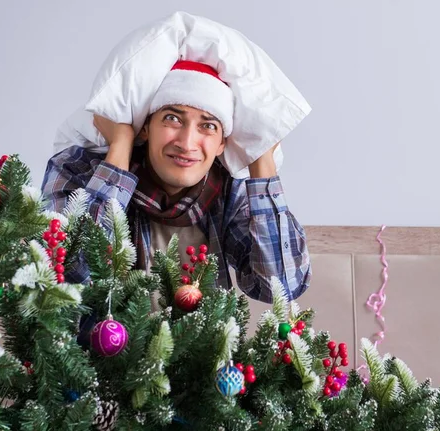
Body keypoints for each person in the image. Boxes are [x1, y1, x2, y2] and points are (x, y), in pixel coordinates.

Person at [41, 60, 311, 302]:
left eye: (208, 126)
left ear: (221, 144)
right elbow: (71, 272)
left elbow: (281, 286)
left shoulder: (229, 190)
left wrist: (262, 157)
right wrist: (120, 145)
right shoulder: (79, 170)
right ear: (145, 127)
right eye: (172, 118)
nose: (186, 143)